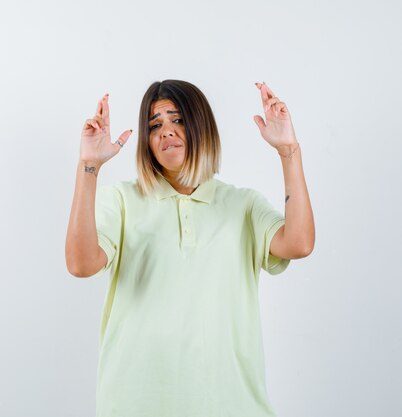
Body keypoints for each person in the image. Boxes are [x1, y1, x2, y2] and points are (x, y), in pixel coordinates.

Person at [65, 79, 315, 417]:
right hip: (135, 405)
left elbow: (299, 243)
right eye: (155, 125)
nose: (166, 131)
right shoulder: (122, 200)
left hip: (232, 406)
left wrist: (289, 152)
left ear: (201, 126)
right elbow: (81, 264)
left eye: (178, 119)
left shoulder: (242, 204)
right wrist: (88, 167)